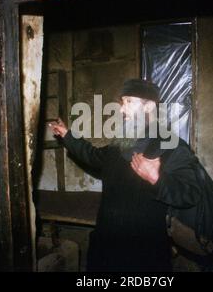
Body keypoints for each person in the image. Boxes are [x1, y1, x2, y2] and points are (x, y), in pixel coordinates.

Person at [49, 78, 199, 272]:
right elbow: (94, 156)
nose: (121, 109)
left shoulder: (172, 146)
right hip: (107, 245)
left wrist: (158, 180)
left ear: (148, 107)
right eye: (122, 102)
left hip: (143, 253)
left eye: (129, 101)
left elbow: (191, 194)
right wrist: (68, 136)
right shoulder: (121, 144)